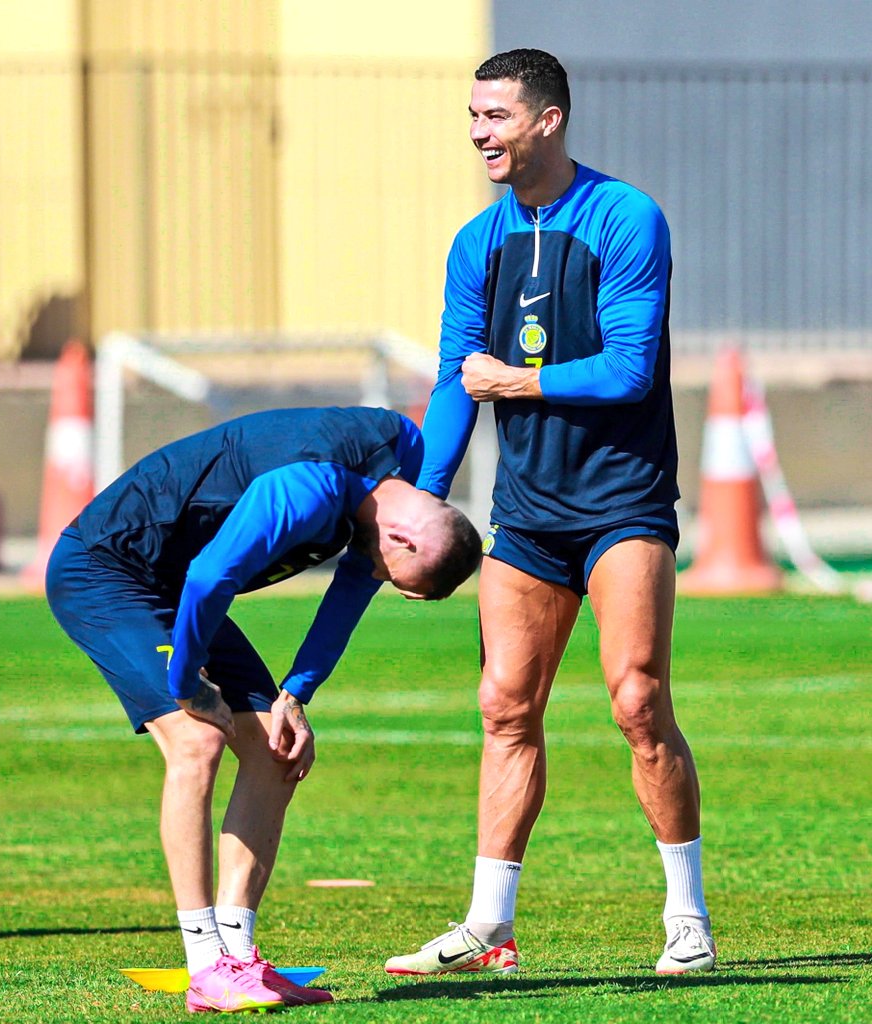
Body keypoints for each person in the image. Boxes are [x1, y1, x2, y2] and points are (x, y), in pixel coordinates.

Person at [383, 48, 715, 979]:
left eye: (496, 115)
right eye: (474, 115)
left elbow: (629, 368)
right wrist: (427, 495)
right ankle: (490, 925)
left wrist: (515, 380)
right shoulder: (475, 243)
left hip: (623, 502)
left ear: (548, 120)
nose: (479, 132)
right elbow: (458, 378)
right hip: (525, 513)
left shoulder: (625, 218)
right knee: (503, 708)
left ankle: (686, 915)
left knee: (638, 700)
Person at [46, 405, 482, 1013]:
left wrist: (295, 695)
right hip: (110, 568)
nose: (379, 573)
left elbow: (348, 590)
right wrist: (188, 684)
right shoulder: (308, 489)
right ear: (406, 540)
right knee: (197, 740)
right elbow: (209, 577)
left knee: (278, 753)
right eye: (392, 571)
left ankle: (239, 955)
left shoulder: (399, 470)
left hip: (182, 583)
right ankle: (204, 964)